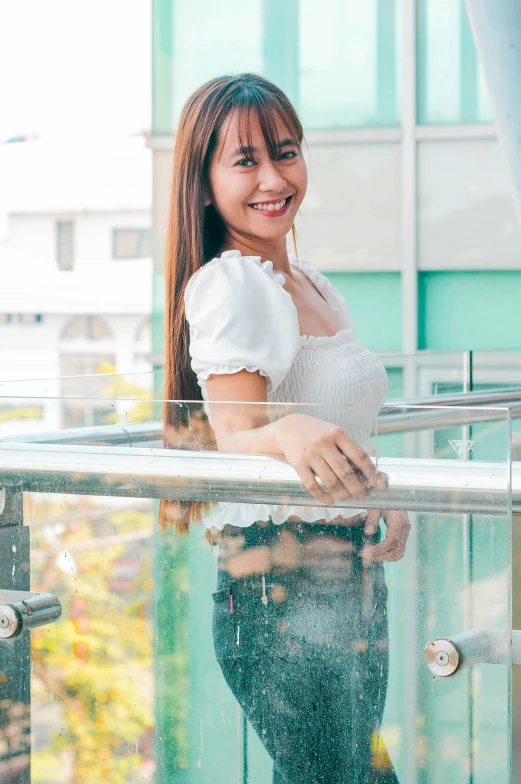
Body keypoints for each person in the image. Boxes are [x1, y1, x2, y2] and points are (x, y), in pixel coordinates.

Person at [163, 72, 410, 783]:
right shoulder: (233, 284)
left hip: (345, 571)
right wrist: (290, 429)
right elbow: (235, 435)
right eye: (245, 161)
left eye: (286, 152)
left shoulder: (307, 280)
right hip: (277, 580)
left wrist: (372, 490)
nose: (273, 177)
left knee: (345, 773)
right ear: (205, 184)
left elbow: (334, 427)